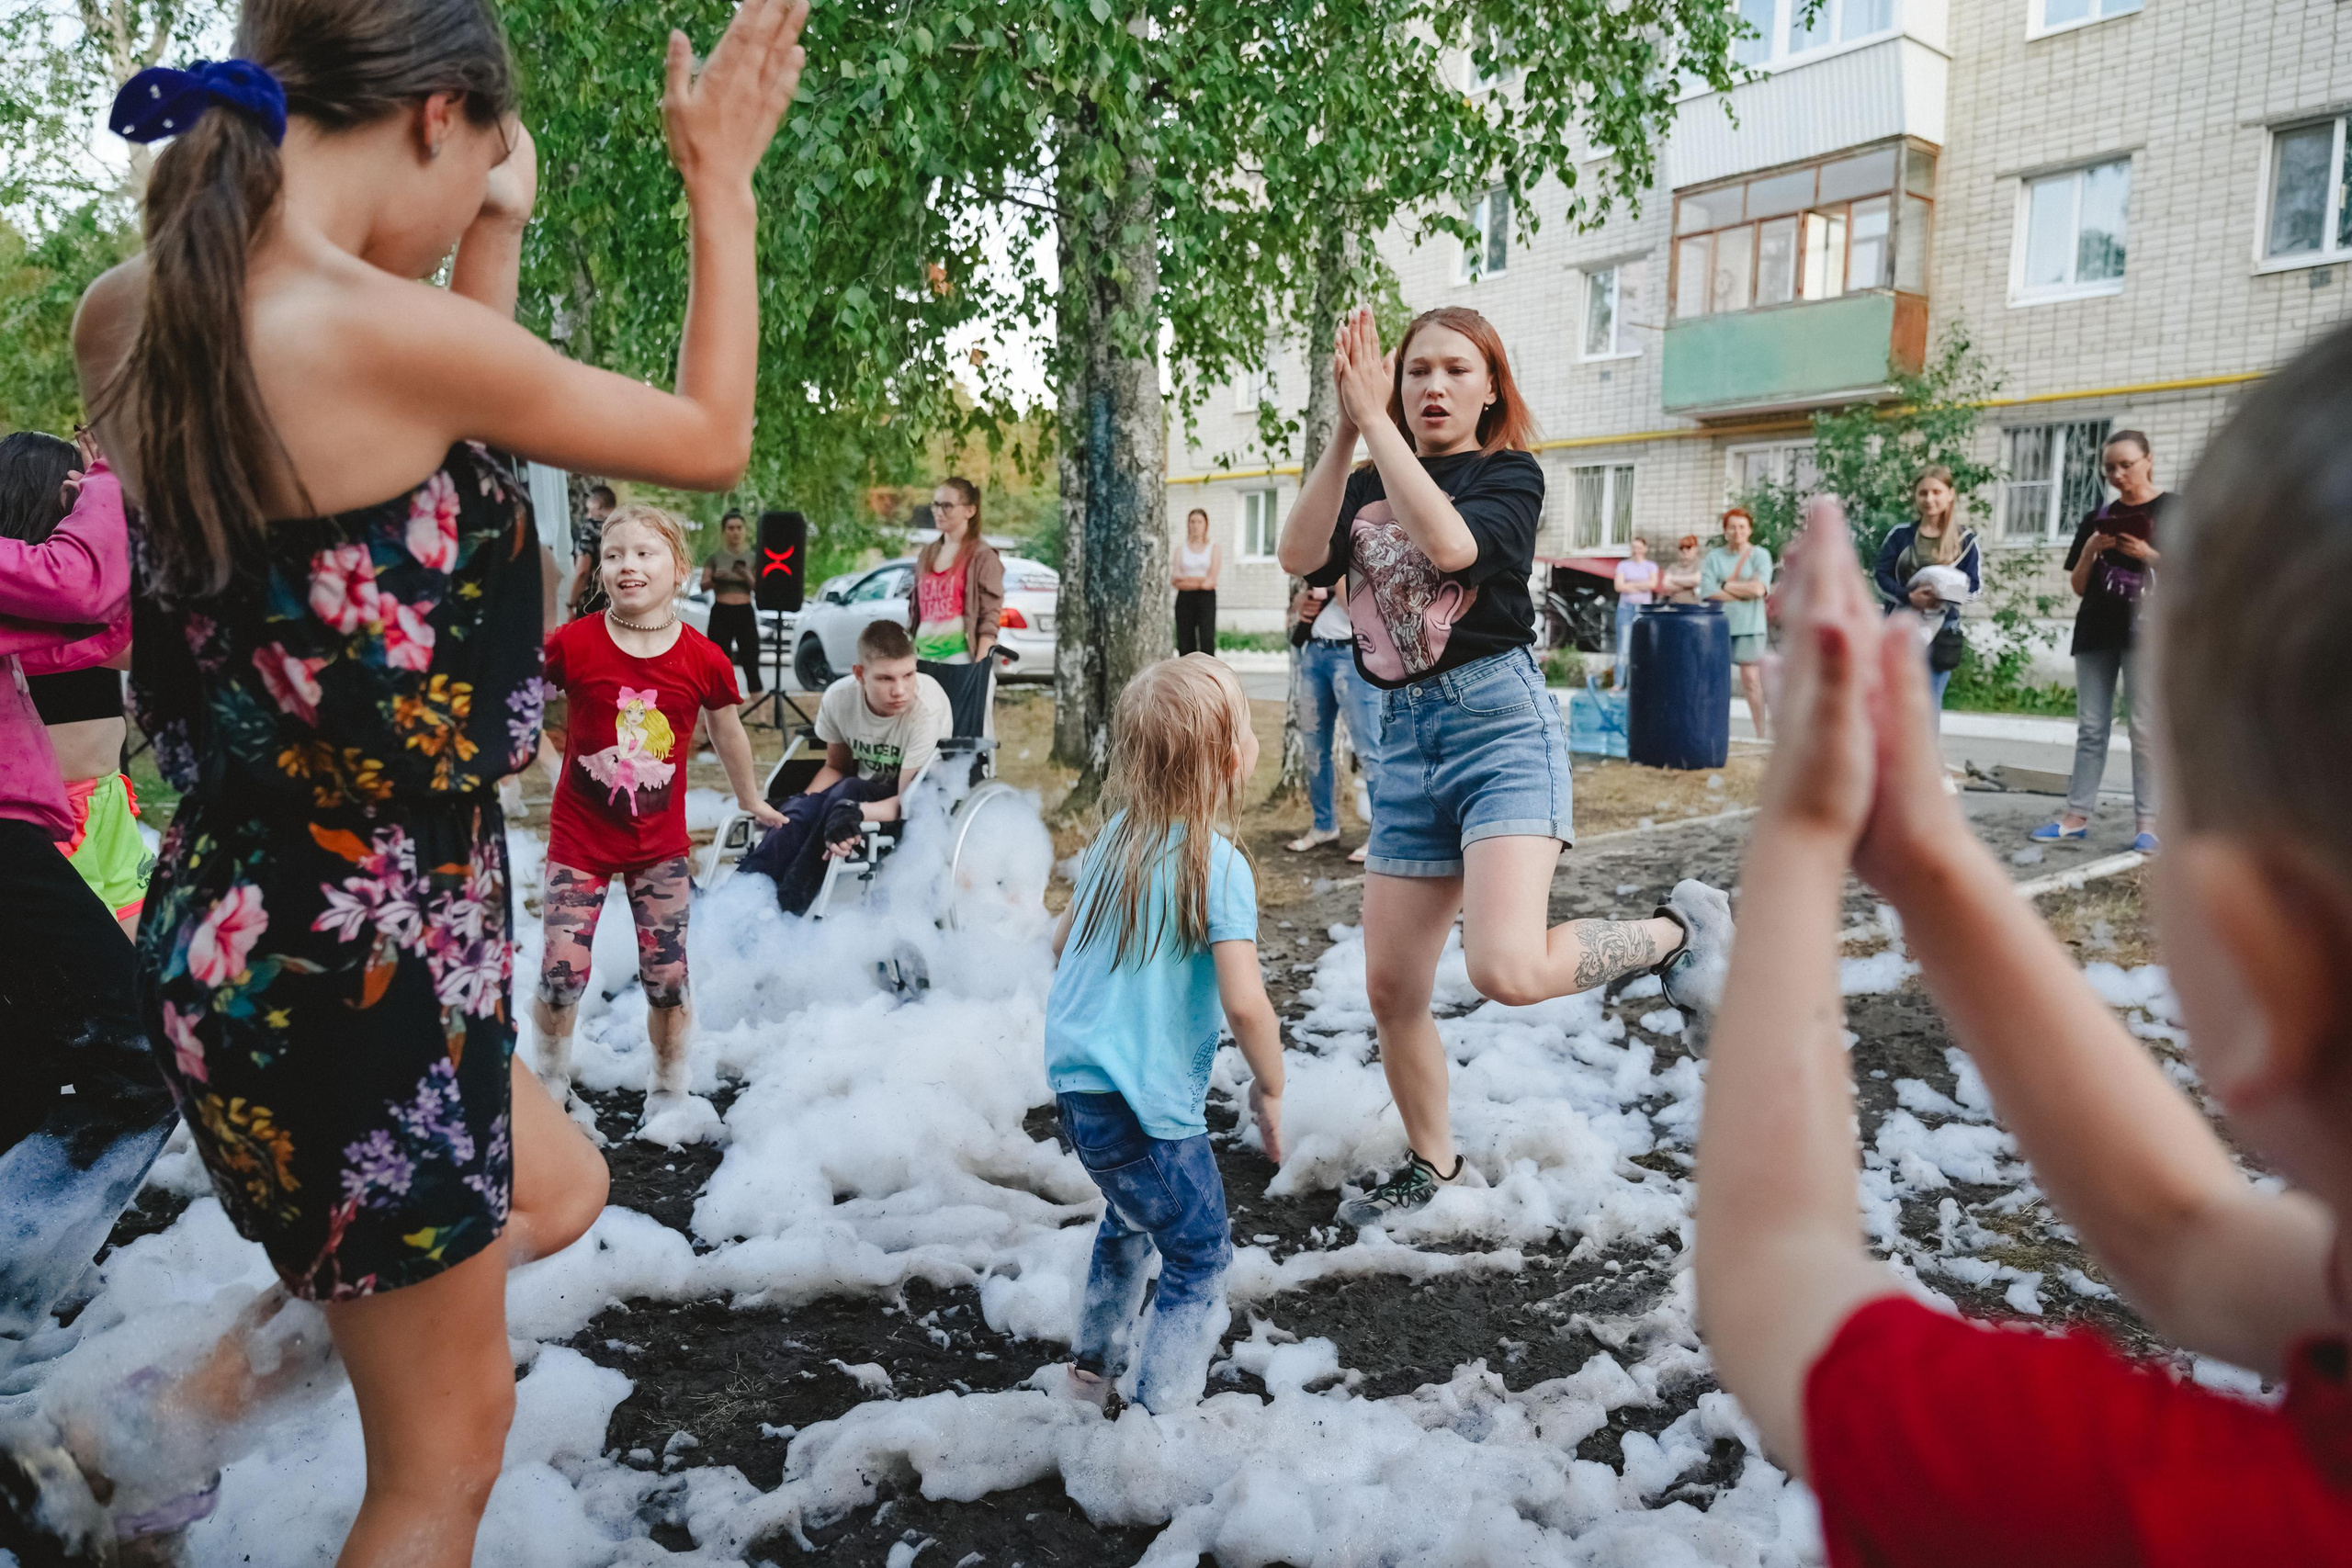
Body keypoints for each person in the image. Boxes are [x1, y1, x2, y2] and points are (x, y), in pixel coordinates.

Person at [51, 2, 810, 1561]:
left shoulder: (138, 312)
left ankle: (145, 1426)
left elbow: (417, 459)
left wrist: (491, 233)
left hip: (249, 932)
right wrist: (718, 179)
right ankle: (131, 1431)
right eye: (476, 175)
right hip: (364, 968)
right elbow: (711, 437)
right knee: (444, 1464)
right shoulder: (375, 337)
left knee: (564, 1183)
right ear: (436, 114)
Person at [1693, 320, 2352, 1561]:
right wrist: (1927, 856)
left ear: (2271, 957)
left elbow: (1774, 1271)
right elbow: (2187, 1237)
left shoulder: (2143, 1508)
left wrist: (1800, 824)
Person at [1276, 304, 1733, 1228]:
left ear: (1490, 391)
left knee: (1509, 969)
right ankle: (1435, 1163)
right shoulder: (1364, 474)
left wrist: (1375, 429)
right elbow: (1297, 556)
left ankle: (1676, 933)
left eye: (1453, 370)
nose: (1431, 387)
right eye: (1413, 373)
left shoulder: (1507, 474)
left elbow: (1449, 547)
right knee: (1391, 988)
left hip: (1496, 732)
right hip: (1399, 745)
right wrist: (1342, 430)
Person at [1046, 654, 1284, 1415]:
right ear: (1228, 758)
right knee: (1200, 1252)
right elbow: (1247, 1006)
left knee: (1128, 1217)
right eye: (1246, 725)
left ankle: (1092, 1367)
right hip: (1146, 1112)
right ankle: (1155, 1422)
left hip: (1077, 1089)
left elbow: (1060, 941)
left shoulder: (1115, 837)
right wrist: (1270, 1084)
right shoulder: (1218, 867)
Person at [535, 503, 781, 1122]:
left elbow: (728, 733)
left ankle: (669, 1092)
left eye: (645, 554)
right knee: (562, 972)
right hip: (579, 840)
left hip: (658, 846)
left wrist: (749, 798)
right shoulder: (573, 643)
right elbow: (515, 702)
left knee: (667, 980)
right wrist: (544, 766)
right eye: (614, 555)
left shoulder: (703, 656)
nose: (627, 566)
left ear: (679, 568)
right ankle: (549, 1084)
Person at [0, 432, 148, 938]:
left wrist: (115, 516)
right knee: (96, 989)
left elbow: (153, 638)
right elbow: (126, 639)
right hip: (51, 820)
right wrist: (104, 501)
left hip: (109, 803)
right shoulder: (30, 600)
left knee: (138, 979)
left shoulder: (94, 590)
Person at [741, 617, 952, 916]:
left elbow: (910, 802)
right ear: (860, 674)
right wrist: (803, 805)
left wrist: (853, 812)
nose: (901, 690)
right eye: (886, 679)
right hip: (857, 790)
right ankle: (737, 896)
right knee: (805, 809)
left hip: (917, 799)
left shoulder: (924, 710)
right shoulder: (840, 699)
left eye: (908, 675)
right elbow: (836, 767)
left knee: (846, 794)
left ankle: (786, 911)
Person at [2031, 431, 2166, 853]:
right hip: (2096, 630)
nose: (2117, 474)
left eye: (2126, 464)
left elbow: (2196, 573)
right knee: (2091, 727)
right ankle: (2076, 817)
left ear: (2148, 460)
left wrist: (2148, 554)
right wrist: (2091, 548)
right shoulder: (2097, 516)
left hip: (2148, 632)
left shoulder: (2174, 510)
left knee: (2144, 727)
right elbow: (2077, 585)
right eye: (2109, 467)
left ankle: (2148, 824)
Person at [1871, 464, 1981, 734]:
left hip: (1942, 632)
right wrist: (1908, 597)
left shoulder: (1965, 540)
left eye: (1936, 492)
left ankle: (1925, 769)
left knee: (1929, 703)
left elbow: (1975, 587)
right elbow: (1881, 575)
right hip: (1901, 627)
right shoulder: (1900, 535)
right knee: (1895, 699)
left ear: (1950, 494)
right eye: (1923, 493)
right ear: (1915, 497)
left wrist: (1946, 596)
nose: (1929, 499)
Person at [1283, 580, 1380, 863]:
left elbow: (1356, 607)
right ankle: (1324, 826)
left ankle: (1381, 836)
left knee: (1370, 750)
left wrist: (1337, 581)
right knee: (1314, 747)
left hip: (1353, 655)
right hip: (1315, 653)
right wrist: (1302, 599)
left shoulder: (1368, 546)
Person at [907, 475, 1003, 664]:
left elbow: (990, 615)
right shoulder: (927, 553)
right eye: (935, 504)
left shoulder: (982, 555)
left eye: (947, 506)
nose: (938, 512)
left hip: (960, 658)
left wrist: (980, 665)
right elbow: (915, 611)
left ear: (969, 510)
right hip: (922, 656)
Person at [1702, 507, 1774, 741]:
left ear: (1750, 529)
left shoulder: (1760, 555)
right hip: (1719, 625)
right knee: (1715, 681)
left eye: (1742, 526)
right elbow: (1707, 592)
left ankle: (1760, 735)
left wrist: (1726, 586)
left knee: (1751, 681)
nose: (1737, 531)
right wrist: (1744, 591)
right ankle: (1716, 733)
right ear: (1725, 531)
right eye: (1732, 527)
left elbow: (1759, 589)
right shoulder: (1714, 557)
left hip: (1751, 626)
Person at [699, 507, 764, 694]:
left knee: (751, 661)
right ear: (724, 531)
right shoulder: (715, 557)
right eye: (730, 528)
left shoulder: (753, 557)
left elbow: (759, 589)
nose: (735, 532)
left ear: (745, 530)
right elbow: (703, 585)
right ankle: (721, 708)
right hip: (721, 611)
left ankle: (760, 713)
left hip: (744, 611)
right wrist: (715, 579)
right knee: (719, 663)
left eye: (738, 528)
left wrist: (745, 575)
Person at [1611, 536, 1661, 686]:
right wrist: (1641, 585)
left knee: (1644, 647)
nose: (1636, 551)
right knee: (1623, 649)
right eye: (1634, 547)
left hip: (1644, 611)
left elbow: (1653, 584)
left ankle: (1641, 684)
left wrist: (1630, 585)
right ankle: (1618, 683)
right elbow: (1619, 587)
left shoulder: (1651, 566)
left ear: (1645, 549)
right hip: (1626, 609)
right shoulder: (1623, 565)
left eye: (1639, 547)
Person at [1171, 506, 1221, 657]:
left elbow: (1210, 582)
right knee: (1185, 641)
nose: (1195, 525)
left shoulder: (1214, 547)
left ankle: (1208, 676)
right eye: (1192, 521)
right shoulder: (1181, 549)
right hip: (1185, 599)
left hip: (1206, 598)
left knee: (1207, 639)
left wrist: (1187, 579)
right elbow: (1175, 580)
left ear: (1206, 524)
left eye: (1199, 521)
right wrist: (1200, 580)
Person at [567, 481, 616, 619]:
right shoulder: (626, 527)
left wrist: (571, 604)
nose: (588, 515)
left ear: (598, 505)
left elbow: (582, 571)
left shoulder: (592, 528)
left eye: (589, 510)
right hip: (621, 601)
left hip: (595, 601)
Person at [1659, 533, 1703, 604]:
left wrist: (1672, 579)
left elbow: (1696, 579)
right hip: (1675, 607)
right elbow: (1666, 584)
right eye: (1681, 547)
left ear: (1696, 549)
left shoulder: (1701, 564)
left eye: (1688, 547)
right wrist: (1690, 586)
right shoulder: (1673, 566)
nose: (1684, 550)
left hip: (1695, 608)